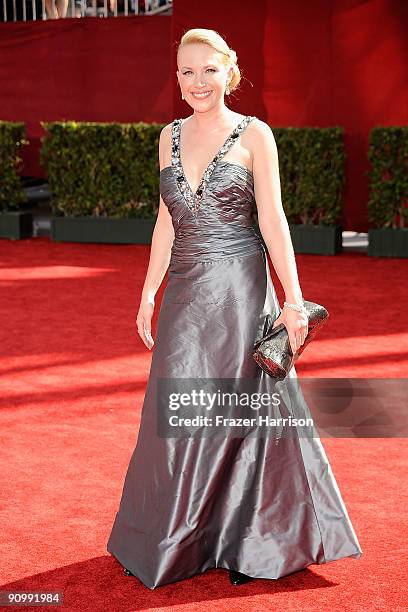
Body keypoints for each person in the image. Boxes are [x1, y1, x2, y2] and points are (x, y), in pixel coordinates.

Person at [107, 27, 362, 590]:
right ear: (177, 78)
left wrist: (293, 301)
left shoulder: (255, 135)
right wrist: (150, 290)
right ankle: (176, 537)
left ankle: (249, 539)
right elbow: (166, 220)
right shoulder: (167, 136)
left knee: (245, 418)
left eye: (208, 70)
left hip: (243, 292)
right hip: (188, 298)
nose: (197, 82)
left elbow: (272, 220)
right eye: (186, 72)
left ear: (229, 71)